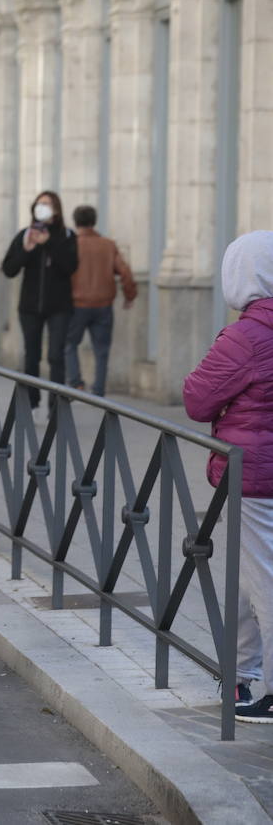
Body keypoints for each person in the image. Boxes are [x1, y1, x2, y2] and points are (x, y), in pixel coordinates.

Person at [182, 231, 273, 723]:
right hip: (260, 471)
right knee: (246, 578)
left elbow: (197, 399)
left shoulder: (246, 336)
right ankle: (239, 672)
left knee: (265, 582)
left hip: (256, 476)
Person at [2, 191, 78, 409]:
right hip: (30, 306)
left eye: (47, 204)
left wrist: (49, 244)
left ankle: (57, 406)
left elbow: (71, 267)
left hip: (59, 306)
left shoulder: (67, 236)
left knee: (56, 356)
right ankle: (32, 403)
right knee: (31, 356)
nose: (42, 207)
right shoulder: (25, 235)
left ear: (56, 210)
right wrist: (27, 250)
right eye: (39, 204)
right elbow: (9, 268)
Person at [65, 205, 137, 396]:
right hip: (103, 305)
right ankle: (98, 391)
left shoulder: (71, 244)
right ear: (94, 221)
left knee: (69, 344)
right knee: (102, 350)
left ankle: (76, 382)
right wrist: (130, 295)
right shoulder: (108, 245)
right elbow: (125, 272)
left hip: (77, 305)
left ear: (75, 222)